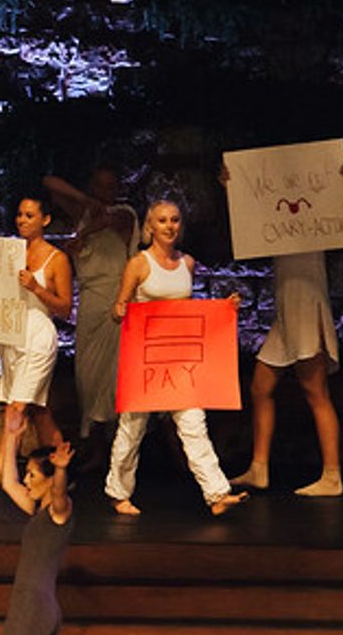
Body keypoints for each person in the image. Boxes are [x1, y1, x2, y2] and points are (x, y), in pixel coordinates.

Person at [105, 200, 247, 516]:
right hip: (146, 361)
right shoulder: (138, 264)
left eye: (175, 220)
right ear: (150, 227)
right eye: (162, 220)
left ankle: (217, 494)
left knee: (194, 424)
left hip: (180, 361)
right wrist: (120, 310)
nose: (169, 226)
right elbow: (119, 308)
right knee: (132, 429)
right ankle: (117, 492)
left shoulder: (188, 264)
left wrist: (225, 309)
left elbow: (188, 311)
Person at [225, 161, 343, 497]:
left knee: (316, 393)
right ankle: (259, 468)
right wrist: (232, 186)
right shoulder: (277, 226)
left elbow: (341, 217)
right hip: (286, 314)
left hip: (306, 308)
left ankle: (332, 475)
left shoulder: (318, 226)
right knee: (259, 387)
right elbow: (252, 213)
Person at [0, 194, 74, 498]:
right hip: (12, 334)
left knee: (16, 408)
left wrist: (37, 288)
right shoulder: (9, 254)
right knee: (37, 410)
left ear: (46, 220)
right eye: (19, 215)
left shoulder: (57, 259)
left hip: (38, 336)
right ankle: (64, 470)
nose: (22, 220)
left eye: (30, 215)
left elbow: (65, 308)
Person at [0, 430, 77, 635]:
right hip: (43, 609)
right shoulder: (38, 513)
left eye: (32, 474)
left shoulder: (60, 512)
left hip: (30, 607)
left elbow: (59, 496)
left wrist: (59, 469)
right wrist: (12, 435)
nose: (27, 480)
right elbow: (8, 484)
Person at [43, 168, 138, 440]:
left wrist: (82, 235)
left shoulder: (126, 213)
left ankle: (111, 437)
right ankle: (91, 433)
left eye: (110, 187)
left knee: (113, 371)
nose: (105, 193)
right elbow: (50, 182)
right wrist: (86, 202)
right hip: (90, 299)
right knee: (87, 370)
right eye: (99, 186)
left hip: (115, 296)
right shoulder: (84, 212)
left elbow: (108, 221)